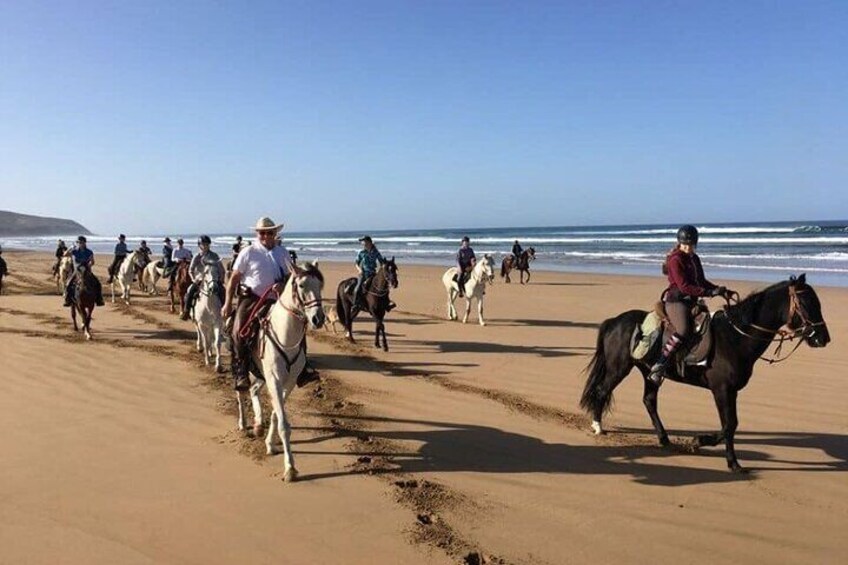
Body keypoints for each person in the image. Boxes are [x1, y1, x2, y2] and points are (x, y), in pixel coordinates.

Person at [648, 225, 734, 386]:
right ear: (680, 243)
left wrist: (718, 290)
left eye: (692, 245)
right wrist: (709, 293)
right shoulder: (675, 259)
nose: (688, 248)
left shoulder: (694, 258)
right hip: (676, 301)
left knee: (709, 323)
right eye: (685, 245)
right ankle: (660, 364)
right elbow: (684, 286)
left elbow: (701, 281)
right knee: (683, 330)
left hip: (692, 301)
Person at [222, 217, 294, 391]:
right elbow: (234, 279)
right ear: (257, 234)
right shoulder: (248, 252)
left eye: (270, 232)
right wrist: (227, 303)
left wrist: (283, 285)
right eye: (262, 232)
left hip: (277, 299)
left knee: (298, 325)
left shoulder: (282, 252)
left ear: (275, 233)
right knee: (239, 330)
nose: (266, 236)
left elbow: (291, 277)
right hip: (252, 298)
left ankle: (303, 368)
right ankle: (241, 372)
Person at [181, 235, 224, 320]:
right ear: (199, 245)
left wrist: (221, 278)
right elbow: (191, 270)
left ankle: (225, 311)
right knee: (190, 291)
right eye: (203, 244)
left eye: (207, 244)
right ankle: (186, 311)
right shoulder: (197, 256)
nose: (205, 246)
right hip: (200, 280)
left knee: (223, 291)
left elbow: (221, 269)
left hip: (213, 279)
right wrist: (194, 279)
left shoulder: (214, 255)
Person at [63, 236, 105, 307]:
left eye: (81, 242)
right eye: (78, 242)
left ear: (85, 243)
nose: (80, 244)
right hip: (77, 271)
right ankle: (67, 300)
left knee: (98, 283)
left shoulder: (89, 252)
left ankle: (99, 300)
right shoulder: (75, 251)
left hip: (87, 270)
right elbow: (65, 254)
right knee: (68, 284)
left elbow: (92, 261)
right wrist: (70, 248)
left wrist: (89, 265)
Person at [352, 236, 387, 310]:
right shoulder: (361, 253)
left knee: (383, 286)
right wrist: (359, 270)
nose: (363, 243)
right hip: (363, 273)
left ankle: (387, 302)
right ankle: (355, 304)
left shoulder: (376, 252)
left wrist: (384, 268)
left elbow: (381, 262)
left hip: (373, 273)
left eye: (364, 242)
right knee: (358, 287)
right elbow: (356, 263)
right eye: (362, 242)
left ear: (369, 242)